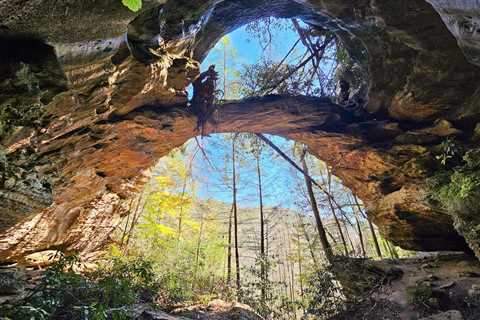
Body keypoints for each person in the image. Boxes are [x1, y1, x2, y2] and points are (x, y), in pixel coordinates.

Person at [191, 65, 218, 136]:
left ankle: (202, 125)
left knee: (206, 106)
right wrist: (207, 72)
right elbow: (197, 79)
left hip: (202, 112)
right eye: (207, 84)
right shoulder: (198, 87)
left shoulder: (211, 96)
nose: (208, 87)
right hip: (195, 106)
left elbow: (211, 105)